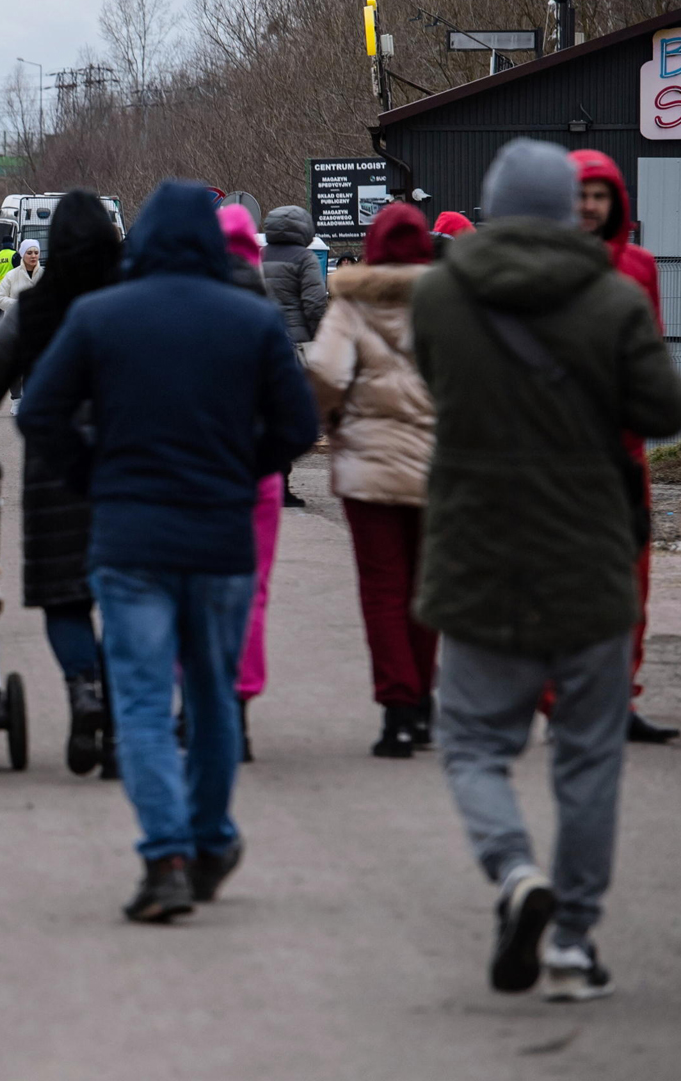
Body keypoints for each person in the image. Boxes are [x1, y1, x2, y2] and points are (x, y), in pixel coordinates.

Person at [412, 138, 681, 1001]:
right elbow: (659, 411)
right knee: (589, 757)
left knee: (474, 744)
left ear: (492, 207)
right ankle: (571, 943)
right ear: (572, 208)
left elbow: (437, 385)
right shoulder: (612, 297)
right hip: (590, 556)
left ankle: (515, 870)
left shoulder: (441, 296)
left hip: (479, 552)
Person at [21, 180, 317, 923]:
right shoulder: (249, 319)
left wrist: (92, 474)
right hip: (220, 536)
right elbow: (299, 424)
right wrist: (243, 466)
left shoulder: (98, 316)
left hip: (129, 538)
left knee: (145, 700)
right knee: (212, 695)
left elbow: (40, 413)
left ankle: (166, 857)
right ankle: (212, 835)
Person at [0, 190, 123, 780]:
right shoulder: (134, 299)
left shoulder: (37, 306)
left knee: (65, 596)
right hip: (132, 472)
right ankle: (122, 725)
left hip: (56, 474)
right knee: (129, 602)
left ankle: (83, 690)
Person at [305, 202, 438, 760]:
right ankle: (426, 707)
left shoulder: (352, 305)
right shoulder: (449, 305)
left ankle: (397, 712)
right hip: (439, 468)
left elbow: (326, 373)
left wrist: (334, 420)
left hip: (368, 467)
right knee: (426, 590)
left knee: (383, 590)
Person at [571, 148, 679, 745]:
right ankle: (567, 704)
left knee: (631, 585)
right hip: (561, 453)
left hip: (625, 454)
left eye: (599, 195)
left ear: (615, 204)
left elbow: (650, 355)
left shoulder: (639, 266)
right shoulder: (550, 265)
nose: (589, 206)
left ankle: (620, 701)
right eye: (580, 195)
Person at [218, 204, 282, 764]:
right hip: (254, 476)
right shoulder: (266, 315)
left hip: (193, 474)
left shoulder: (184, 312)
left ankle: (197, 704)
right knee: (250, 592)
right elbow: (298, 416)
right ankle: (237, 707)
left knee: (191, 588)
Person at [261, 205, 327, 509]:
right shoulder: (304, 258)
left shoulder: (259, 255)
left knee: (264, 412)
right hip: (296, 345)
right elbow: (314, 303)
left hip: (262, 341)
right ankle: (282, 485)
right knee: (291, 414)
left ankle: (266, 479)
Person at [0, 239, 43, 313]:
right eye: (29, 253)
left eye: (36, 253)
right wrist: (20, 304)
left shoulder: (46, 275)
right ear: (22, 254)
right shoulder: (11, 275)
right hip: (16, 322)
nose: (33, 256)